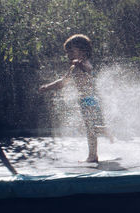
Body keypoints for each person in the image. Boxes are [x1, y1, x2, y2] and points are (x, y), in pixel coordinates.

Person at [39, 34, 111, 163]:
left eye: (71, 51)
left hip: (90, 100)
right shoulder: (73, 67)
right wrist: (48, 87)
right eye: (67, 52)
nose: (69, 55)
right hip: (84, 101)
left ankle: (93, 155)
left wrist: (81, 64)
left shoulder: (84, 63)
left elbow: (89, 69)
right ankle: (104, 129)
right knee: (89, 127)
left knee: (90, 128)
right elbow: (62, 82)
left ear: (83, 51)